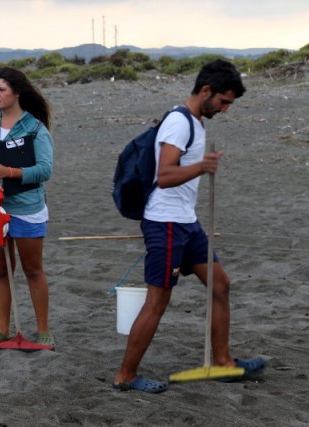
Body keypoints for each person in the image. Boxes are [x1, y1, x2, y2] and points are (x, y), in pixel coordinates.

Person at [112, 59, 266, 392]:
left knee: (220, 284)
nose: (225, 110)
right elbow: (165, 176)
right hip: (165, 224)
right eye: (223, 102)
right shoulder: (179, 123)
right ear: (206, 90)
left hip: (187, 223)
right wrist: (202, 167)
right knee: (158, 301)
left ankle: (223, 362)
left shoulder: (196, 123)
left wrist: (200, 167)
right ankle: (126, 375)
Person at [0, 67, 55, 348]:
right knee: (1, 271)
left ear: (16, 93)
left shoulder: (35, 128)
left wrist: (10, 173)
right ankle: (3, 330)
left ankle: (43, 331)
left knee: (33, 271)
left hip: (26, 209)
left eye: (1, 89)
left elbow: (44, 170)